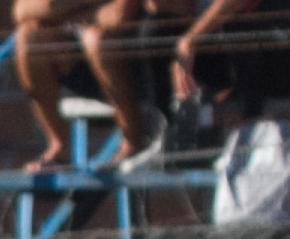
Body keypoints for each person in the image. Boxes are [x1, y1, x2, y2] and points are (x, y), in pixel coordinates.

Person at [16, 0, 181, 170]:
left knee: (97, 39)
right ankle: (60, 147)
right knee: (29, 35)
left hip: (138, 65)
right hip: (84, 64)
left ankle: (133, 141)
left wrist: (62, 12)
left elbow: (119, 16)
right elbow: (22, 10)